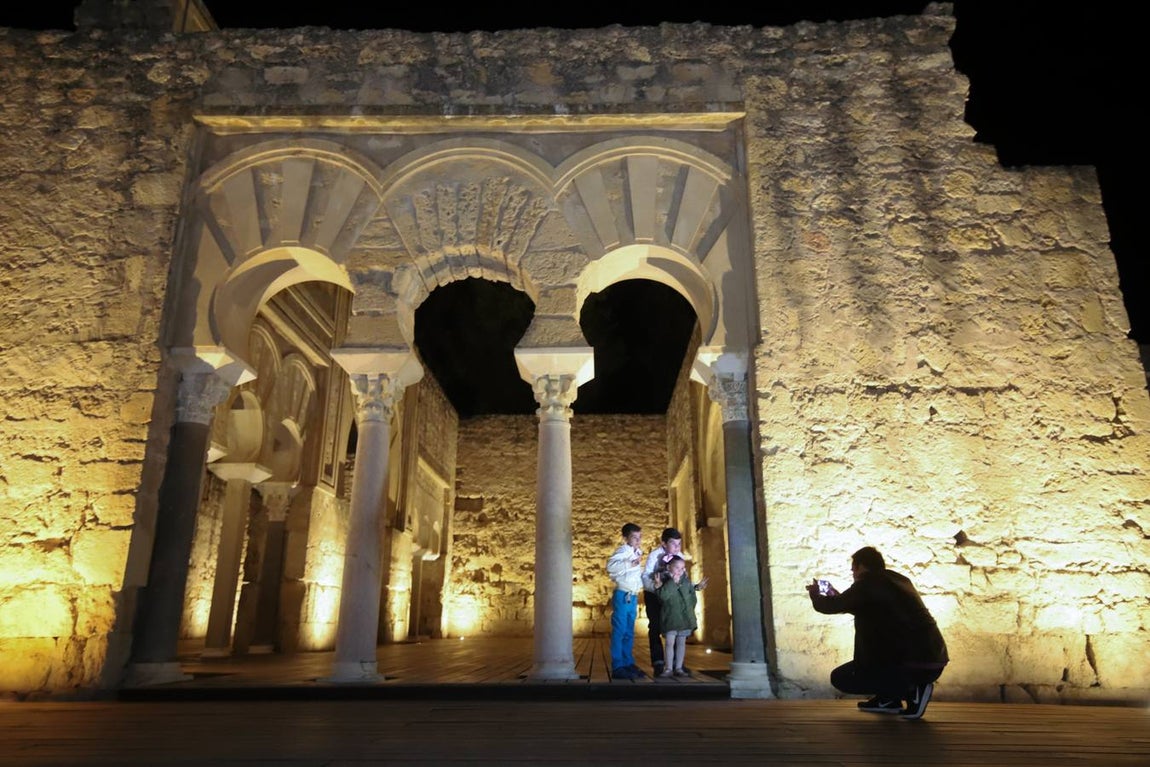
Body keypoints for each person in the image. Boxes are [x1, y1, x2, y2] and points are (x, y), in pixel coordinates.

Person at [806, 546, 949, 720]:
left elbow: (833, 606)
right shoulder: (899, 579)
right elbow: (858, 604)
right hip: (933, 657)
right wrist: (835, 595)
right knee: (868, 666)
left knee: (841, 678)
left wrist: (816, 595)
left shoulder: (866, 585)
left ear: (860, 567)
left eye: (853, 570)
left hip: (911, 664)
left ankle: (913, 689)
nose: (853, 574)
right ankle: (888, 700)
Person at [642, 527, 708, 676]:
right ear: (664, 544)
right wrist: (658, 587)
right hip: (654, 593)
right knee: (655, 626)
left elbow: (683, 579)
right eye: (673, 544)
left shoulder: (679, 556)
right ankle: (659, 662)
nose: (677, 548)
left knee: (677, 627)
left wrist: (694, 587)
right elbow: (646, 576)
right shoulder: (654, 556)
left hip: (673, 597)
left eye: (679, 544)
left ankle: (677, 664)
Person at [606, 523, 646, 680]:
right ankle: (617, 665)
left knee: (629, 631)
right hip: (623, 594)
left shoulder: (637, 552)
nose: (638, 540)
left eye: (639, 537)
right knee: (620, 630)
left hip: (632, 595)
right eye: (634, 537)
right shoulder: (623, 551)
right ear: (625, 538)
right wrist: (629, 563)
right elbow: (610, 566)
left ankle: (628, 662)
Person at [653, 555, 697, 677]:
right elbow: (663, 596)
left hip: (683, 618)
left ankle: (679, 667)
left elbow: (692, 598)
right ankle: (668, 668)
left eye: (682, 568)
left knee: (681, 643)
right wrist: (672, 583)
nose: (680, 570)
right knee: (669, 643)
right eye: (677, 567)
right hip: (670, 618)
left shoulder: (686, 583)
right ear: (669, 567)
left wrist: (689, 610)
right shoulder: (665, 581)